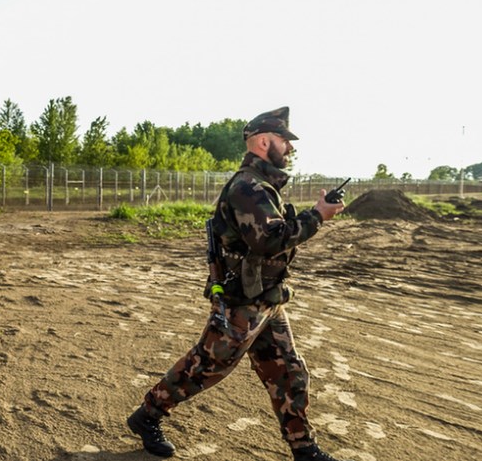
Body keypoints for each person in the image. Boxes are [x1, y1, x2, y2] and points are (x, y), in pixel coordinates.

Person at [126, 107, 350, 461]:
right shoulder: (248, 187)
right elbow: (270, 239)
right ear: (264, 142)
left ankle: (304, 448)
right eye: (283, 141)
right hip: (242, 301)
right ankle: (147, 415)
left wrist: (314, 214)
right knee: (206, 366)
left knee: (288, 371)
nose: (289, 149)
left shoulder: (262, 187)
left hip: (266, 297)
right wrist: (317, 216)